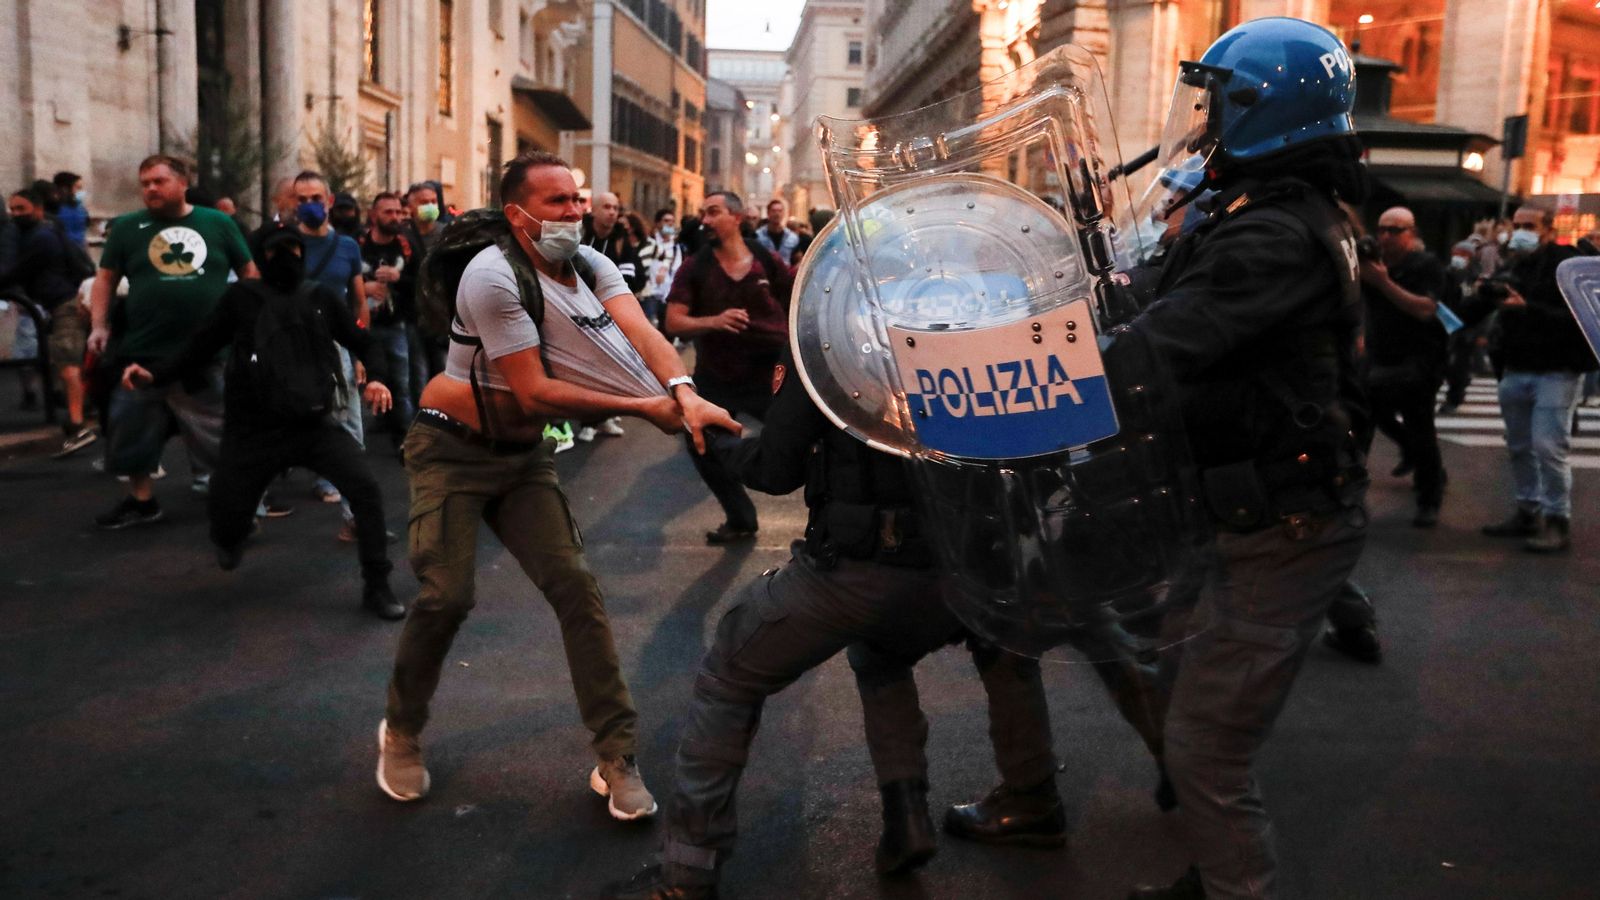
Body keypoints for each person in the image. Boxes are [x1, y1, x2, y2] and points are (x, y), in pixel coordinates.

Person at [601, 350, 1064, 900]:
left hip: (861, 570)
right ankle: (1014, 801)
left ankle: (688, 872)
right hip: (973, 566)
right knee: (931, 650)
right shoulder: (986, 322)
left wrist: (712, 436)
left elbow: (775, 469)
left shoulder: (832, 336)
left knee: (731, 670)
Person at [375, 151, 741, 819]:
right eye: (557, 203)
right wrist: (645, 410)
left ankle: (617, 755)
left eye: (576, 199)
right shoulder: (492, 279)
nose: (575, 212)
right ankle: (401, 730)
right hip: (450, 450)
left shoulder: (592, 263)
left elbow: (643, 334)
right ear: (517, 216)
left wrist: (684, 392)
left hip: (521, 459)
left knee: (576, 586)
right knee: (447, 595)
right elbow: (536, 392)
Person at [1121, 19, 1370, 899]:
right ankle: (1209, 867)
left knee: (1206, 749)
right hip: (1233, 509)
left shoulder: (1271, 235)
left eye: (1219, 101)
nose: (1203, 118)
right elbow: (1151, 298)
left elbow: (1153, 349)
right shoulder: (1272, 212)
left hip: (1282, 521)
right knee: (1167, 668)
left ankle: (1233, 884)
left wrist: (1020, 378)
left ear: (1268, 109)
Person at [118, 229, 403, 618]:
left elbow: (363, 340)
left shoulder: (320, 297)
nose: (285, 257)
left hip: (313, 424)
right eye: (274, 250)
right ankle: (230, 539)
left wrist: (378, 378)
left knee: (365, 491)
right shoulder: (242, 299)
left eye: (292, 249)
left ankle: (377, 586)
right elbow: (200, 346)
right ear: (259, 255)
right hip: (254, 430)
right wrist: (156, 374)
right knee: (227, 514)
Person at [87, 155, 257, 529]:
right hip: (143, 351)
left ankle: (239, 501)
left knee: (218, 430)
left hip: (207, 353)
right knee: (131, 428)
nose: (150, 188)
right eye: (144, 182)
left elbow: (249, 273)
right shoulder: (128, 228)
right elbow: (105, 279)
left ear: (183, 183)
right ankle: (141, 501)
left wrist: (250, 321)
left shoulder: (218, 223)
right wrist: (99, 325)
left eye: (159, 181)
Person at [665, 191, 792, 545]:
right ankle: (741, 518)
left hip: (770, 373)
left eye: (714, 212)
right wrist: (715, 320)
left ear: (736, 217)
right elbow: (673, 322)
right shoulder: (696, 266)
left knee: (804, 438)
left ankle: (832, 525)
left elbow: (792, 297)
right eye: (703, 213)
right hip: (718, 373)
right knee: (700, 441)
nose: (705, 220)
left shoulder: (765, 259)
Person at [1478, 204, 1598, 553]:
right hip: (1516, 366)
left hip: (1556, 371)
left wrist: (1526, 308)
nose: (1520, 231)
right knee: (1518, 446)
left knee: (1549, 446)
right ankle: (1528, 509)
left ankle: (1557, 519)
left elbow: (1578, 317)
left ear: (1548, 229)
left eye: (1528, 225)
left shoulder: (1566, 265)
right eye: (1516, 225)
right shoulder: (1515, 262)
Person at [1360, 206, 1450, 527]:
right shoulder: (1374, 265)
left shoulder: (1425, 265)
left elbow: (1426, 309)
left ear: (1411, 233)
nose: (1386, 236)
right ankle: (1354, 495)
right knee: (1367, 421)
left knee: (1420, 427)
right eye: (1382, 229)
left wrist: (1383, 282)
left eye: (1395, 230)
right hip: (1379, 358)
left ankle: (1430, 496)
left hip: (1418, 360)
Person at [291, 170, 369, 524]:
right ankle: (252, 507)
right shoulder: (282, 244)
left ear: (329, 201)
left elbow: (358, 301)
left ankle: (355, 515)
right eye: (302, 200)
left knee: (349, 423)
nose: (309, 206)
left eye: (315, 199)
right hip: (291, 344)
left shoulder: (348, 246)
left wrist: (359, 352)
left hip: (336, 346)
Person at [2, 188, 96, 456]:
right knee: (65, 363)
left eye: (21, 208)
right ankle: (81, 414)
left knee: (68, 365)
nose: (15, 214)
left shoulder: (40, 238)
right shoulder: (46, 233)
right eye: (12, 209)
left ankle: (77, 425)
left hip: (63, 304)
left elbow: (17, 271)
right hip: (61, 303)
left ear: (38, 209)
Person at [359, 191, 417, 449]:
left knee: (401, 383)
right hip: (363, 326)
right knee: (361, 382)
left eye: (397, 211)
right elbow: (342, 282)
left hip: (396, 325)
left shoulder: (407, 246)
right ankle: (358, 440)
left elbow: (422, 282)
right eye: (388, 212)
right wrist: (365, 288)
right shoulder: (357, 244)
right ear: (374, 216)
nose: (395, 217)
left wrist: (398, 277)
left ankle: (404, 439)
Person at [637, 208, 683, 331]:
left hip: (666, 295)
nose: (670, 224)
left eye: (672, 221)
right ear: (658, 223)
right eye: (666, 221)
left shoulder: (675, 246)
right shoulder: (649, 242)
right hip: (649, 294)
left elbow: (676, 271)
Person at [754, 198, 800, 265]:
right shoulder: (758, 236)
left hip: (786, 274)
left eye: (780, 211)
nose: (777, 214)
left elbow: (798, 260)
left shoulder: (792, 237)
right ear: (768, 213)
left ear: (784, 213)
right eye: (774, 211)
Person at [52, 172, 88, 248]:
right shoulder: (53, 209)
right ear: (65, 189)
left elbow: (83, 234)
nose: (81, 192)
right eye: (78, 188)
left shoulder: (81, 209)